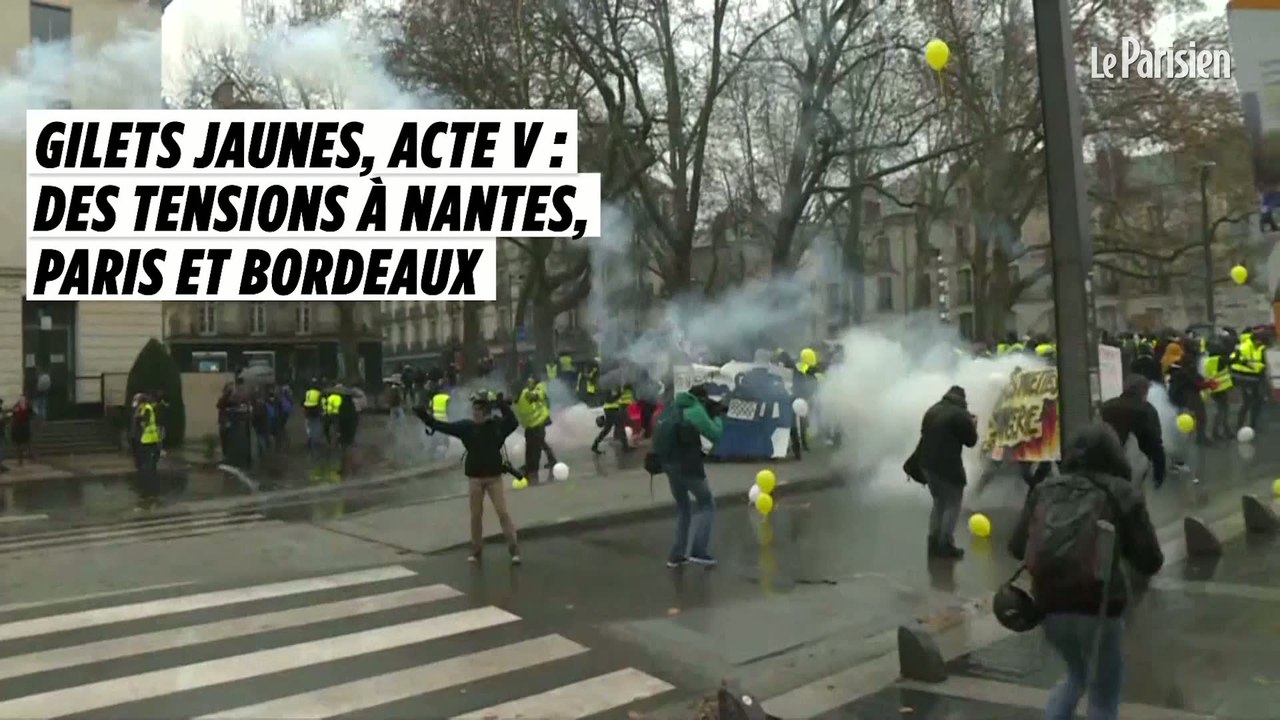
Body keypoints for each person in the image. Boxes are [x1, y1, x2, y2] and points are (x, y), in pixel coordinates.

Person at [1008, 423, 1163, 720]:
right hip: (1100, 606)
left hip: (1048, 604)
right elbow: (1151, 560)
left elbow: (1016, 547)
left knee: (1076, 676)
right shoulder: (1122, 492)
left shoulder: (1044, 489)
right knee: (1103, 696)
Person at [415, 393, 521, 564]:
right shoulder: (467, 427)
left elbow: (513, 422)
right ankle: (476, 550)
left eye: (478, 410)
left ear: (485, 412)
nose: (474, 413)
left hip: (494, 477)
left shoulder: (496, 426)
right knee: (475, 515)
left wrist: (501, 404)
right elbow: (443, 426)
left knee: (502, 513)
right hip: (475, 478)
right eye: (474, 410)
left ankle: (514, 549)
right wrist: (425, 417)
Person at [653, 383, 725, 568]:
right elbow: (715, 434)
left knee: (684, 508)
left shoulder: (673, 407)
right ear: (701, 399)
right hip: (688, 465)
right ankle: (698, 551)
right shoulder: (696, 410)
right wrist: (717, 417)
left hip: (668, 464)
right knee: (707, 504)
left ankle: (676, 555)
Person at [915, 386, 978, 559]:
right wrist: (973, 425)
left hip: (927, 465)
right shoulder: (961, 415)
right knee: (952, 504)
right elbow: (971, 441)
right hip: (947, 467)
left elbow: (924, 433)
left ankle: (933, 542)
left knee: (938, 502)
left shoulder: (933, 410)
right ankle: (945, 544)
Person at [1100, 374, 1166, 490]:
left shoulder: (1107, 406)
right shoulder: (1147, 410)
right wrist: (1159, 474)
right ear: (1144, 391)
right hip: (1135, 466)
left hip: (1108, 464)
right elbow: (1155, 443)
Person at [515, 374, 558, 483]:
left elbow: (539, 395)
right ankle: (549, 460)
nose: (529, 384)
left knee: (538, 443)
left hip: (540, 419)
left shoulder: (539, 388)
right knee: (539, 443)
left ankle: (544, 463)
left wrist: (533, 396)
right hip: (534, 422)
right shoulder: (526, 393)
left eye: (530, 382)